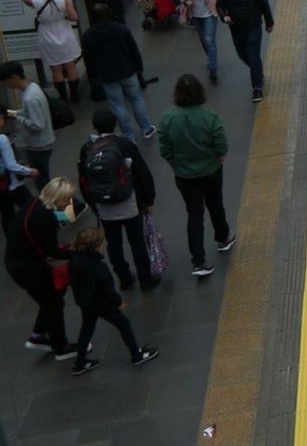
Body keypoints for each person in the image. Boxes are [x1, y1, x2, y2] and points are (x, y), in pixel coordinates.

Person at [77, 108, 160, 292]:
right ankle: (145, 279)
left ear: (94, 126)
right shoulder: (124, 144)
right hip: (129, 202)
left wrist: (93, 204)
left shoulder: (87, 149)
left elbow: (83, 180)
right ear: (114, 124)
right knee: (137, 242)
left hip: (104, 207)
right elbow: (141, 173)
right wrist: (148, 200)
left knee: (114, 244)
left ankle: (124, 278)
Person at [158, 75, 232, 277]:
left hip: (184, 176)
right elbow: (222, 146)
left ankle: (198, 261)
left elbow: (165, 150)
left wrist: (177, 165)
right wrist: (217, 160)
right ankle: (223, 237)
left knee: (194, 214)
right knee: (215, 203)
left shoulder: (168, 119)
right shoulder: (209, 117)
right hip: (211, 171)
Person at [67, 227, 161, 375]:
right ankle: (136, 354)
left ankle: (80, 362)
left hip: (85, 301)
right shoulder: (98, 266)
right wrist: (118, 303)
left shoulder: (74, 260)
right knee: (123, 323)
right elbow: (108, 289)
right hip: (101, 302)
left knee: (87, 328)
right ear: (97, 246)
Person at [5, 178, 77, 360]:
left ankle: (39, 335)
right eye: (66, 199)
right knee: (53, 302)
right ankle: (61, 347)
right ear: (56, 197)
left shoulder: (34, 204)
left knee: (51, 299)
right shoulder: (45, 217)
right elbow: (51, 250)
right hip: (28, 267)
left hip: (18, 263)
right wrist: (77, 253)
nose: (68, 204)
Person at [81, 4, 157, 140]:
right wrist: (139, 67)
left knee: (117, 105)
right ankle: (146, 128)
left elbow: (89, 59)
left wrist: (94, 77)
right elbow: (133, 49)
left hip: (107, 75)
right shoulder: (121, 29)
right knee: (136, 99)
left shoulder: (88, 36)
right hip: (127, 70)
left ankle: (128, 135)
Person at [217, 0, 275, 102]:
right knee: (242, 54)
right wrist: (224, 16)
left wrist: (269, 23)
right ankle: (258, 71)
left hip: (253, 27)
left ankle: (257, 88)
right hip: (236, 29)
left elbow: (264, 5)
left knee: (253, 55)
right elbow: (219, 5)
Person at [21, 0, 83, 102]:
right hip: (64, 33)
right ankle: (75, 96)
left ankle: (63, 97)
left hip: (46, 35)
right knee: (70, 66)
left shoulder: (36, 1)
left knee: (56, 69)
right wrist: (64, 17)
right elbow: (74, 17)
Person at [1, 62, 56, 189]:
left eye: (5, 81)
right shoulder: (33, 87)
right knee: (43, 178)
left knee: (42, 181)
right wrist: (15, 112)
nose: (6, 85)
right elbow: (30, 112)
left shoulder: (29, 98)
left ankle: (55, 204)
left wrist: (17, 117)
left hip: (39, 144)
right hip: (44, 141)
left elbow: (37, 125)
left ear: (14, 77)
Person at [177, 0, 222, 84]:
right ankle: (211, 59)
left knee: (209, 39)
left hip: (209, 12)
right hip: (195, 14)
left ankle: (213, 69)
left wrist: (223, 4)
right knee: (203, 41)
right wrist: (185, 0)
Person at [0, 109, 38, 238]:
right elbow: (11, 165)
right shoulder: (2, 139)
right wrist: (29, 171)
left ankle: (13, 245)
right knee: (33, 209)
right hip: (10, 184)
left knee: (7, 215)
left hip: (2, 188)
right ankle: (39, 242)